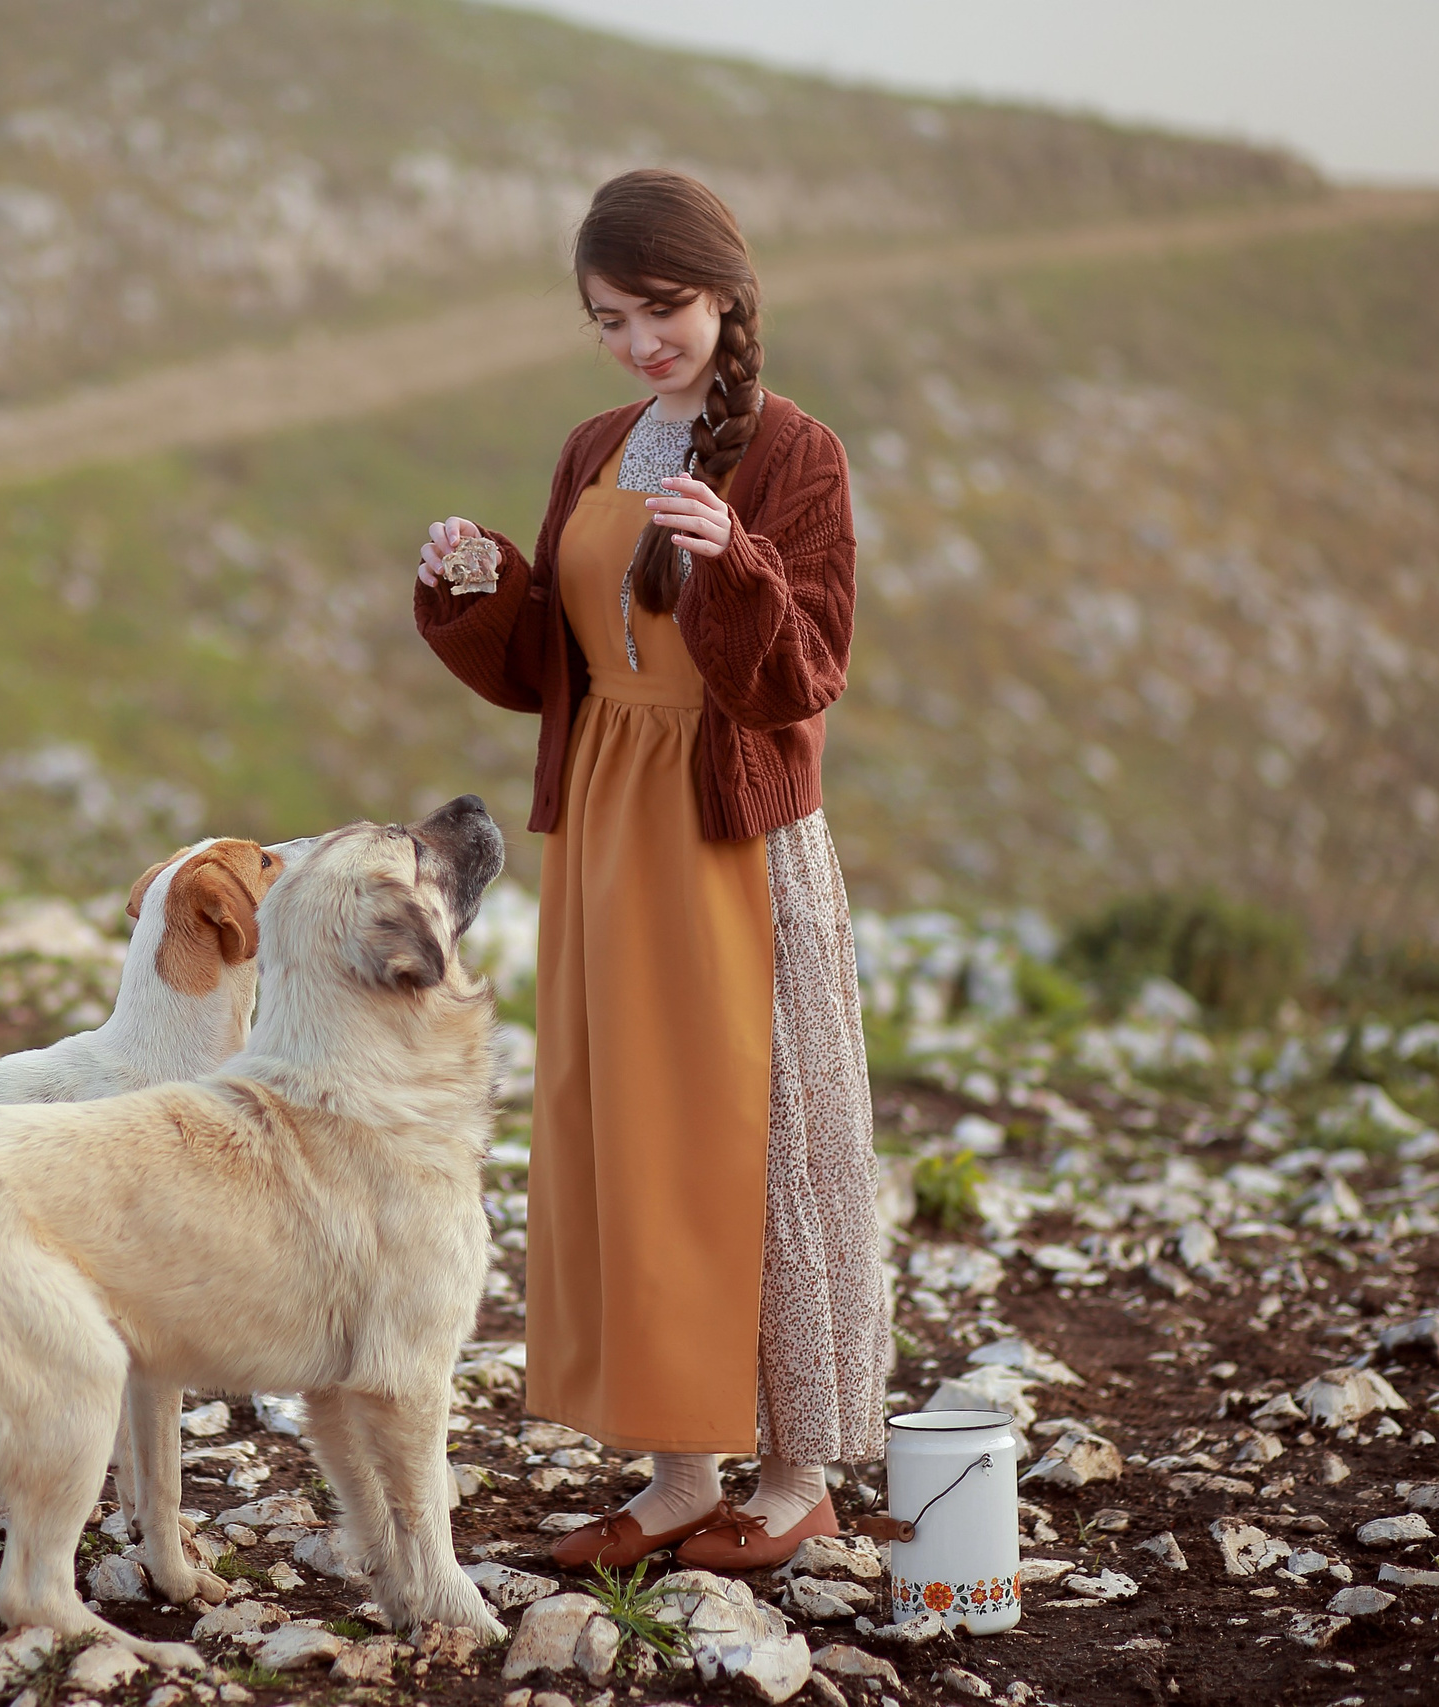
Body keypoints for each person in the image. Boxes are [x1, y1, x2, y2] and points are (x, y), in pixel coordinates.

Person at [412, 168, 888, 1571]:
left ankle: (799, 1478)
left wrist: (736, 559)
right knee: (639, 1145)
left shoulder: (797, 455)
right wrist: (478, 584)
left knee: (764, 1145)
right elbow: (550, 673)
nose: (638, 345)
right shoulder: (592, 446)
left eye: (661, 311)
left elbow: (809, 673)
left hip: (732, 837)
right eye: (609, 320)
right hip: (609, 834)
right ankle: (683, 1478)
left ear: (725, 293)